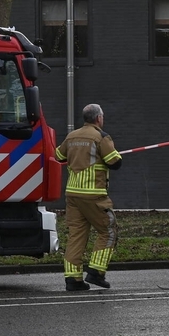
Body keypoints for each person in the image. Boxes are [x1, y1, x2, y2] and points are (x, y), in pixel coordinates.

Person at [55, 103, 123, 291]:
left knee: (76, 235)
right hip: (93, 195)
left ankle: (73, 279)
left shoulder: (71, 136)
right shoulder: (101, 137)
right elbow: (114, 162)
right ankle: (96, 272)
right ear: (98, 118)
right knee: (108, 230)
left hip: (73, 194)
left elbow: (59, 155)